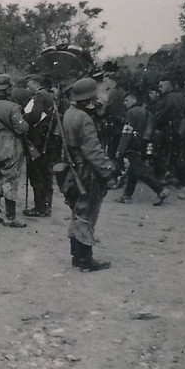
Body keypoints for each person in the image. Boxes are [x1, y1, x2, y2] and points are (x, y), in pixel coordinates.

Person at [60, 77, 116, 271]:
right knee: (87, 214)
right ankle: (85, 260)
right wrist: (108, 171)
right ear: (91, 97)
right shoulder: (84, 118)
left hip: (74, 167)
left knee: (78, 212)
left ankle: (77, 256)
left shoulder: (70, 112)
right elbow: (93, 150)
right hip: (87, 170)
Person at [0, 73, 29, 227]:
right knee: (10, 180)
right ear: (7, 88)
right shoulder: (13, 107)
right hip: (10, 146)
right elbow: (21, 128)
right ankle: (10, 217)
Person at [115, 90, 167, 205]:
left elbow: (126, 132)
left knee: (141, 171)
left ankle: (160, 190)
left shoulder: (131, 112)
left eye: (127, 100)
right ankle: (126, 196)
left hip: (133, 146)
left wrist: (120, 150)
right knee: (134, 171)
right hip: (144, 144)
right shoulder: (147, 111)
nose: (125, 103)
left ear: (134, 100)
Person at [22, 74, 59, 217]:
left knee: (36, 174)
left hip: (38, 142)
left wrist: (23, 116)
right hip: (48, 142)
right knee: (46, 174)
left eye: (29, 85)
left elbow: (34, 117)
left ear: (36, 83)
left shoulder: (39, 96)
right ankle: (46, 206)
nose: (27, 88)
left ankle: (40, 207)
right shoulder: (50, 96)